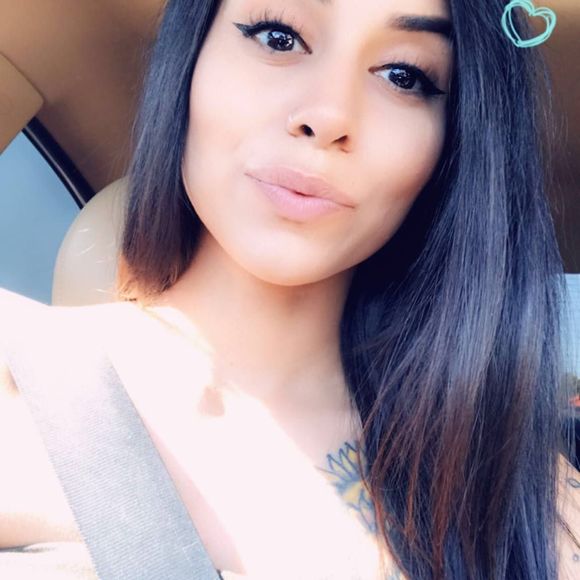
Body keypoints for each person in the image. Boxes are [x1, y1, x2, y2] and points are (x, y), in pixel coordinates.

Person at [1, 0, 579, 578]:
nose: (327, 115)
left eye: (404, 75)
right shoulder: (16, 383)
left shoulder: (519, 492)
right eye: (278, 37)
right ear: (190, 56)